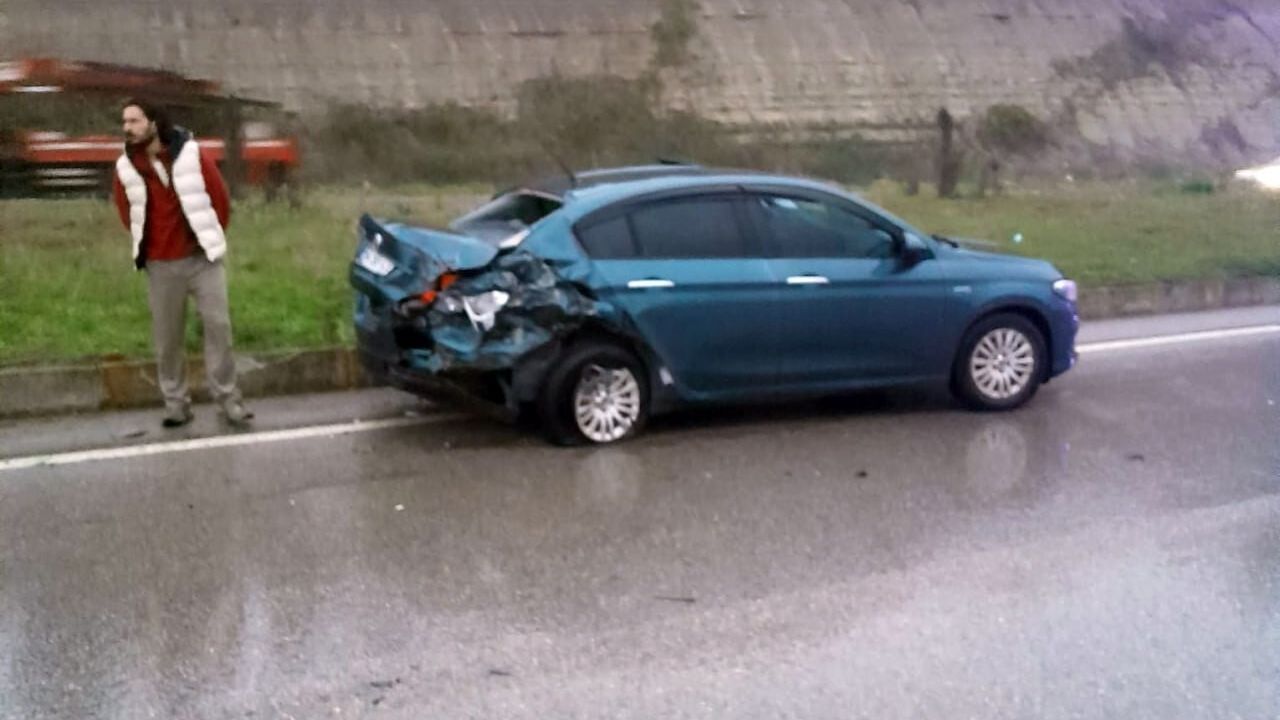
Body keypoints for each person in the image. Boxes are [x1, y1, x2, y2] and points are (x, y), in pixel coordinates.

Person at [112, 98, 253, 428]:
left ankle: (229, 400)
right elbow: (125, 211)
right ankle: (176, 403)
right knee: (167, 339)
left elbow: (219, 197)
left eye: (134, 120)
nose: (127, 128)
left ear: (153, 122)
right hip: (161, 265)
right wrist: (150, 244)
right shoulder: (125, 166)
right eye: (125, 122)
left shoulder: (190, 152)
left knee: (218, 329)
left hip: (202, 260)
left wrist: (208, 239)